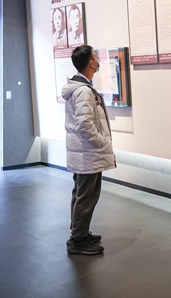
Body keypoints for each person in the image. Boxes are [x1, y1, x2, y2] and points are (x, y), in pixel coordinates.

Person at [61, 45, 116, 255]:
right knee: (86, 196)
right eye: (96, 57)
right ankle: (78, 240)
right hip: (88, 153)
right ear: (91, 63)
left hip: (84, 153)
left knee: (82, 194)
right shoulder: (83, 91)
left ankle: (80, 233)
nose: (98, 60)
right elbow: (85, 125)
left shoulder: (81, 88)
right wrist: (101, 143)